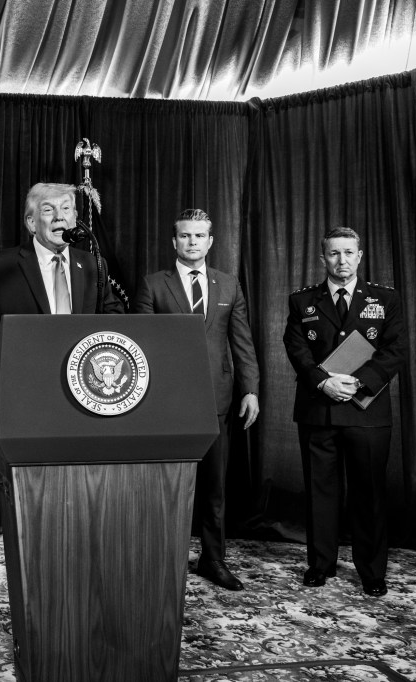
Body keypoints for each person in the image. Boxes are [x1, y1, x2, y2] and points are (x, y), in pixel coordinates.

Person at [133, 208, 260, 591]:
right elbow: (140, 345)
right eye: (185, 235)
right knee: (166, 485)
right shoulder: (153, 285)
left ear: (210, 241)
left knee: (214, 487)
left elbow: (242, 341)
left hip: (216, 398)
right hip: (166, 401)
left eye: (199, 235)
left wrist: (250, 389)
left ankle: (213, 559)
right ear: (175, 241)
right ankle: (161, 557)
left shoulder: (228, 285)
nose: (192, 242)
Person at [282, 227, 406, 597]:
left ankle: (372, 572)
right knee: (321, 492)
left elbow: (395, 349)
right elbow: (296, 348)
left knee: (369, 493)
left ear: (360, 256)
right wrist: (323, 382)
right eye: (334, 253)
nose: (342, 260)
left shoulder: (385, 299)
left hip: (366, 411)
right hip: (319, 410)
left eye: (349, 252)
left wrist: (359, 382)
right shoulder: (302, 301)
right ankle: (320, 565)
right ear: (323, 258)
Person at [0, 182, 125, 368]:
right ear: (31, 223)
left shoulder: (93, 264)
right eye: (48, 210)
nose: (59, 217)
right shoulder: (0, 267)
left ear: (75, 219)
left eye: (66, 209)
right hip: (25, 371)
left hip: (83, 373)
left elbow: (113, 315)